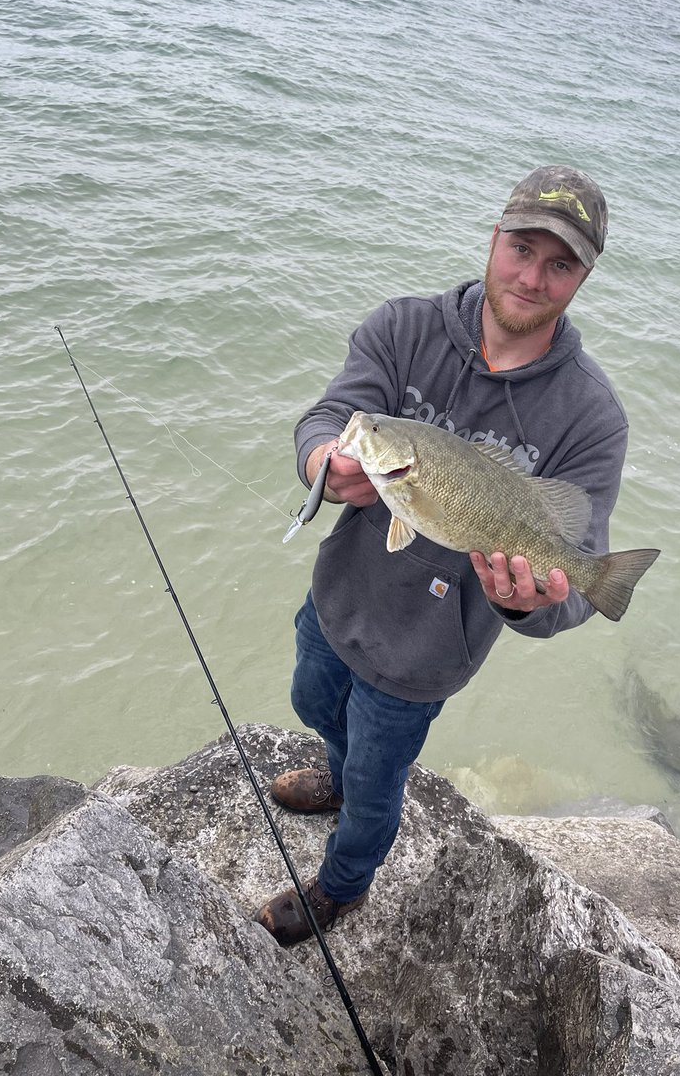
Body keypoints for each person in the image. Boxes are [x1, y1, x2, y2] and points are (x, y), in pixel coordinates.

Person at [255, 164, 628, 945]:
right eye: (521, 248)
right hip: (339, 598)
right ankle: (337, 774)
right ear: (494, 239)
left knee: (377, 783)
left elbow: (574, 582)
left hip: (426, 655)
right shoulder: (405, 326)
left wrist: (529, 600)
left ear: (583, 278)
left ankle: (342, 886)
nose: (531, 277)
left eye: (559, 264)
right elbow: (329, 416)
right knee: (314, 703)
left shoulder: (592, 418)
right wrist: (327, 460)